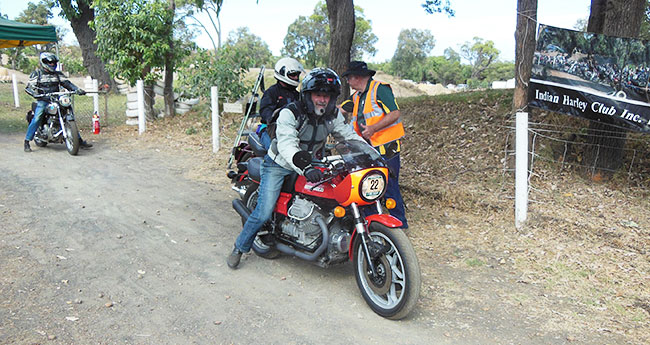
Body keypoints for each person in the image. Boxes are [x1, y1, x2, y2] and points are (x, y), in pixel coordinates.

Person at [227, 68, 365, 269]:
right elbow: (287, 145)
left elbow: (349, 136)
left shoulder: (331, 115)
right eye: (318, 94)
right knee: (264, 212)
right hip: (280, 164)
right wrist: (305, 166)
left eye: (327, 96)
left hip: (313, 163)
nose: (322, 100)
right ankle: (239, 247)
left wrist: (371, 153)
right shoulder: (290, 113)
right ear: (308, 95)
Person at [340, 61, 408, 229]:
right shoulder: (357, 97)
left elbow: (395, 113)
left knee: (389, 186)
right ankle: (372, 223)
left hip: (386, 148)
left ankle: (399, 226)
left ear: (357, 77)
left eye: (348, 78)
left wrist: (373, 128)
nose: (347, 81)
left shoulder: (380, 89)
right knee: (367, 185)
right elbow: (339, 110)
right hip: (367, 149)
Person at [24, 52, 91, 153]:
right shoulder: (37, 74)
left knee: (69, 112)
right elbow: (29, 87)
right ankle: (27, 141)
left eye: (53, 62)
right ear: (44, 62)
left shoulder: (58, 74)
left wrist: (77, 89)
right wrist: (35, 94)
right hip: (44, 100)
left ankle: (78, 140)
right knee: (37, 117)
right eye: (49, 62)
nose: (51, 64)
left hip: (57, 98)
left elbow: (67, 84)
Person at [256, 57, 304, 149]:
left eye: (297, 75)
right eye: (293, 75)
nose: (296, 77)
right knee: (274, 152)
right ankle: (267, 163)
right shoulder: (271, 92)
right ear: (282, 73)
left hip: (292, 130)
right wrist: (275, 116)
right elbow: (265, 112)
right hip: (269, 129)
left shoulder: (298, 95)